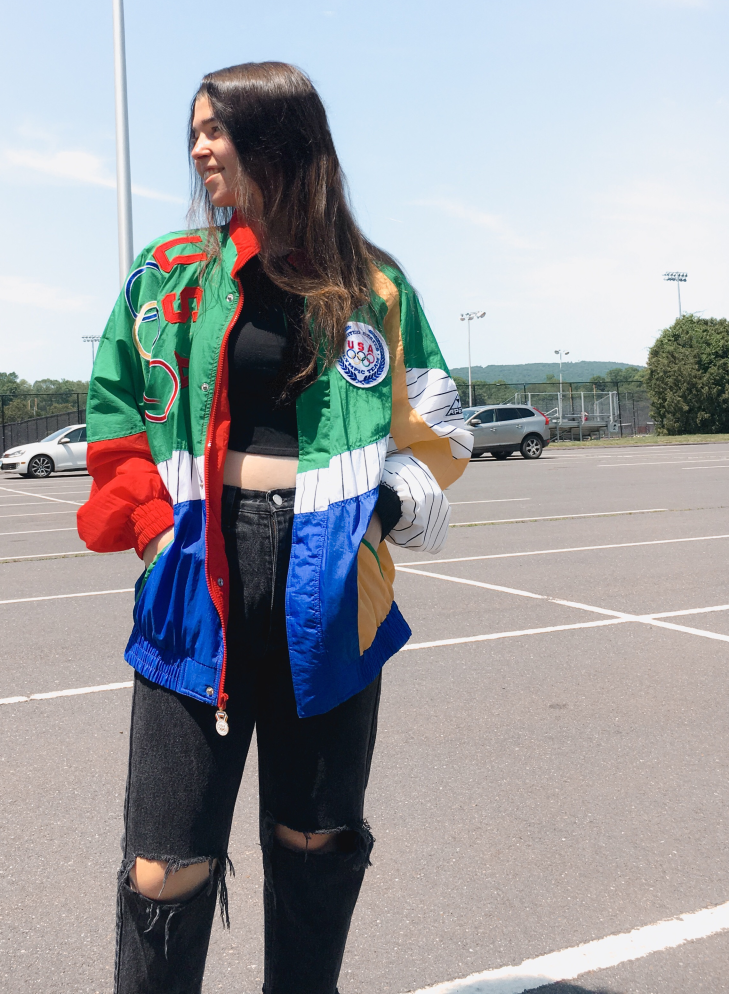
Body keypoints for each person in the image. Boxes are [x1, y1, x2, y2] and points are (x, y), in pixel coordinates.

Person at [77, 62, 472, 994]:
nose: (199, 147)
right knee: (163, 864)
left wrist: (382, 507)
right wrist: (155, 531)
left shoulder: (373, 286)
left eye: (219, 129)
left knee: (317, 841)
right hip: (196, 577)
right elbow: (115, 407)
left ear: (282, 142)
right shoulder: (167, 277)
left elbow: (444, 425)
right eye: (196, 130)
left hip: (332, 588)